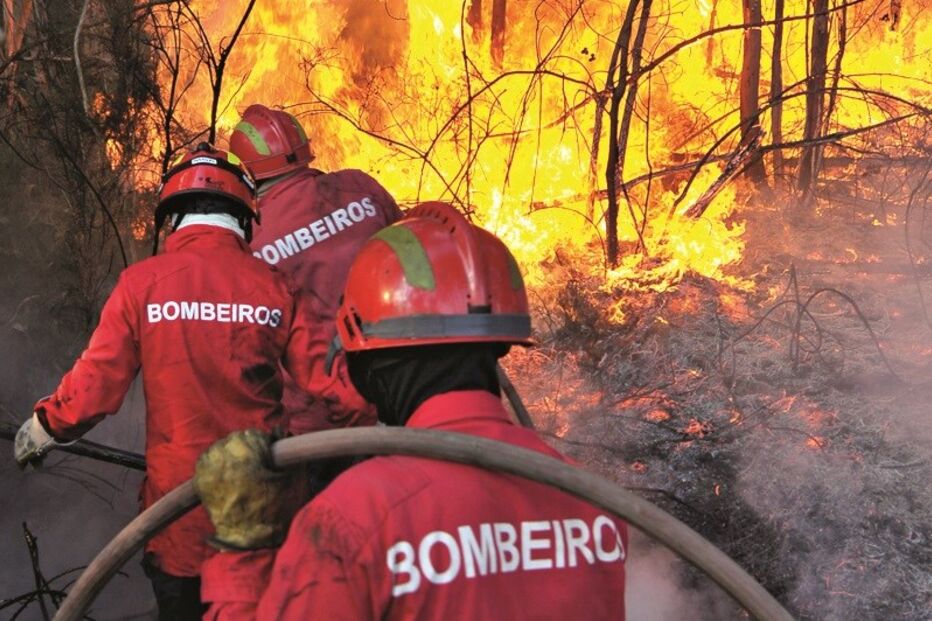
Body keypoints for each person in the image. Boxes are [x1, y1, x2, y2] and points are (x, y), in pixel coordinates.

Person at [194, 202, 628, 619]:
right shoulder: (593, 502)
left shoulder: (350, 520)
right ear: (497, 347)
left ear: (366, 361)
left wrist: (243, 548)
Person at [12, 144, 363, 620]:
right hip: (263, 520)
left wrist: (45, 427)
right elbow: (335, 386)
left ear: (172, 220)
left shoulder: (141, 285)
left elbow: (95, 386)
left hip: (178, 526)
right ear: (245, 219)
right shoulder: (276, 286)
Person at [229, 104, 402, 435]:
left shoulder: (250, 243)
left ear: (245, 173)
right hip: (402, 394)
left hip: (311, 426)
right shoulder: (361, 188)